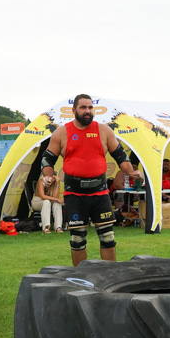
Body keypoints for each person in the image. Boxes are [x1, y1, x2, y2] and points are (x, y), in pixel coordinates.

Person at [41, 94, 140, 266]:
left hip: (100, 193)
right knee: (78, 239)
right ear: (74, 110)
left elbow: (121, 156)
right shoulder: (62, 133)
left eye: (90, 107)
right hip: (74, 194)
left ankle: (110, 275)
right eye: (83, 107)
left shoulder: (104, 131)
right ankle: (82, 279)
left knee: (108, 237)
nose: (87, 111)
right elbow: (47, 159)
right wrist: (48, 176)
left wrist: (131, 172)